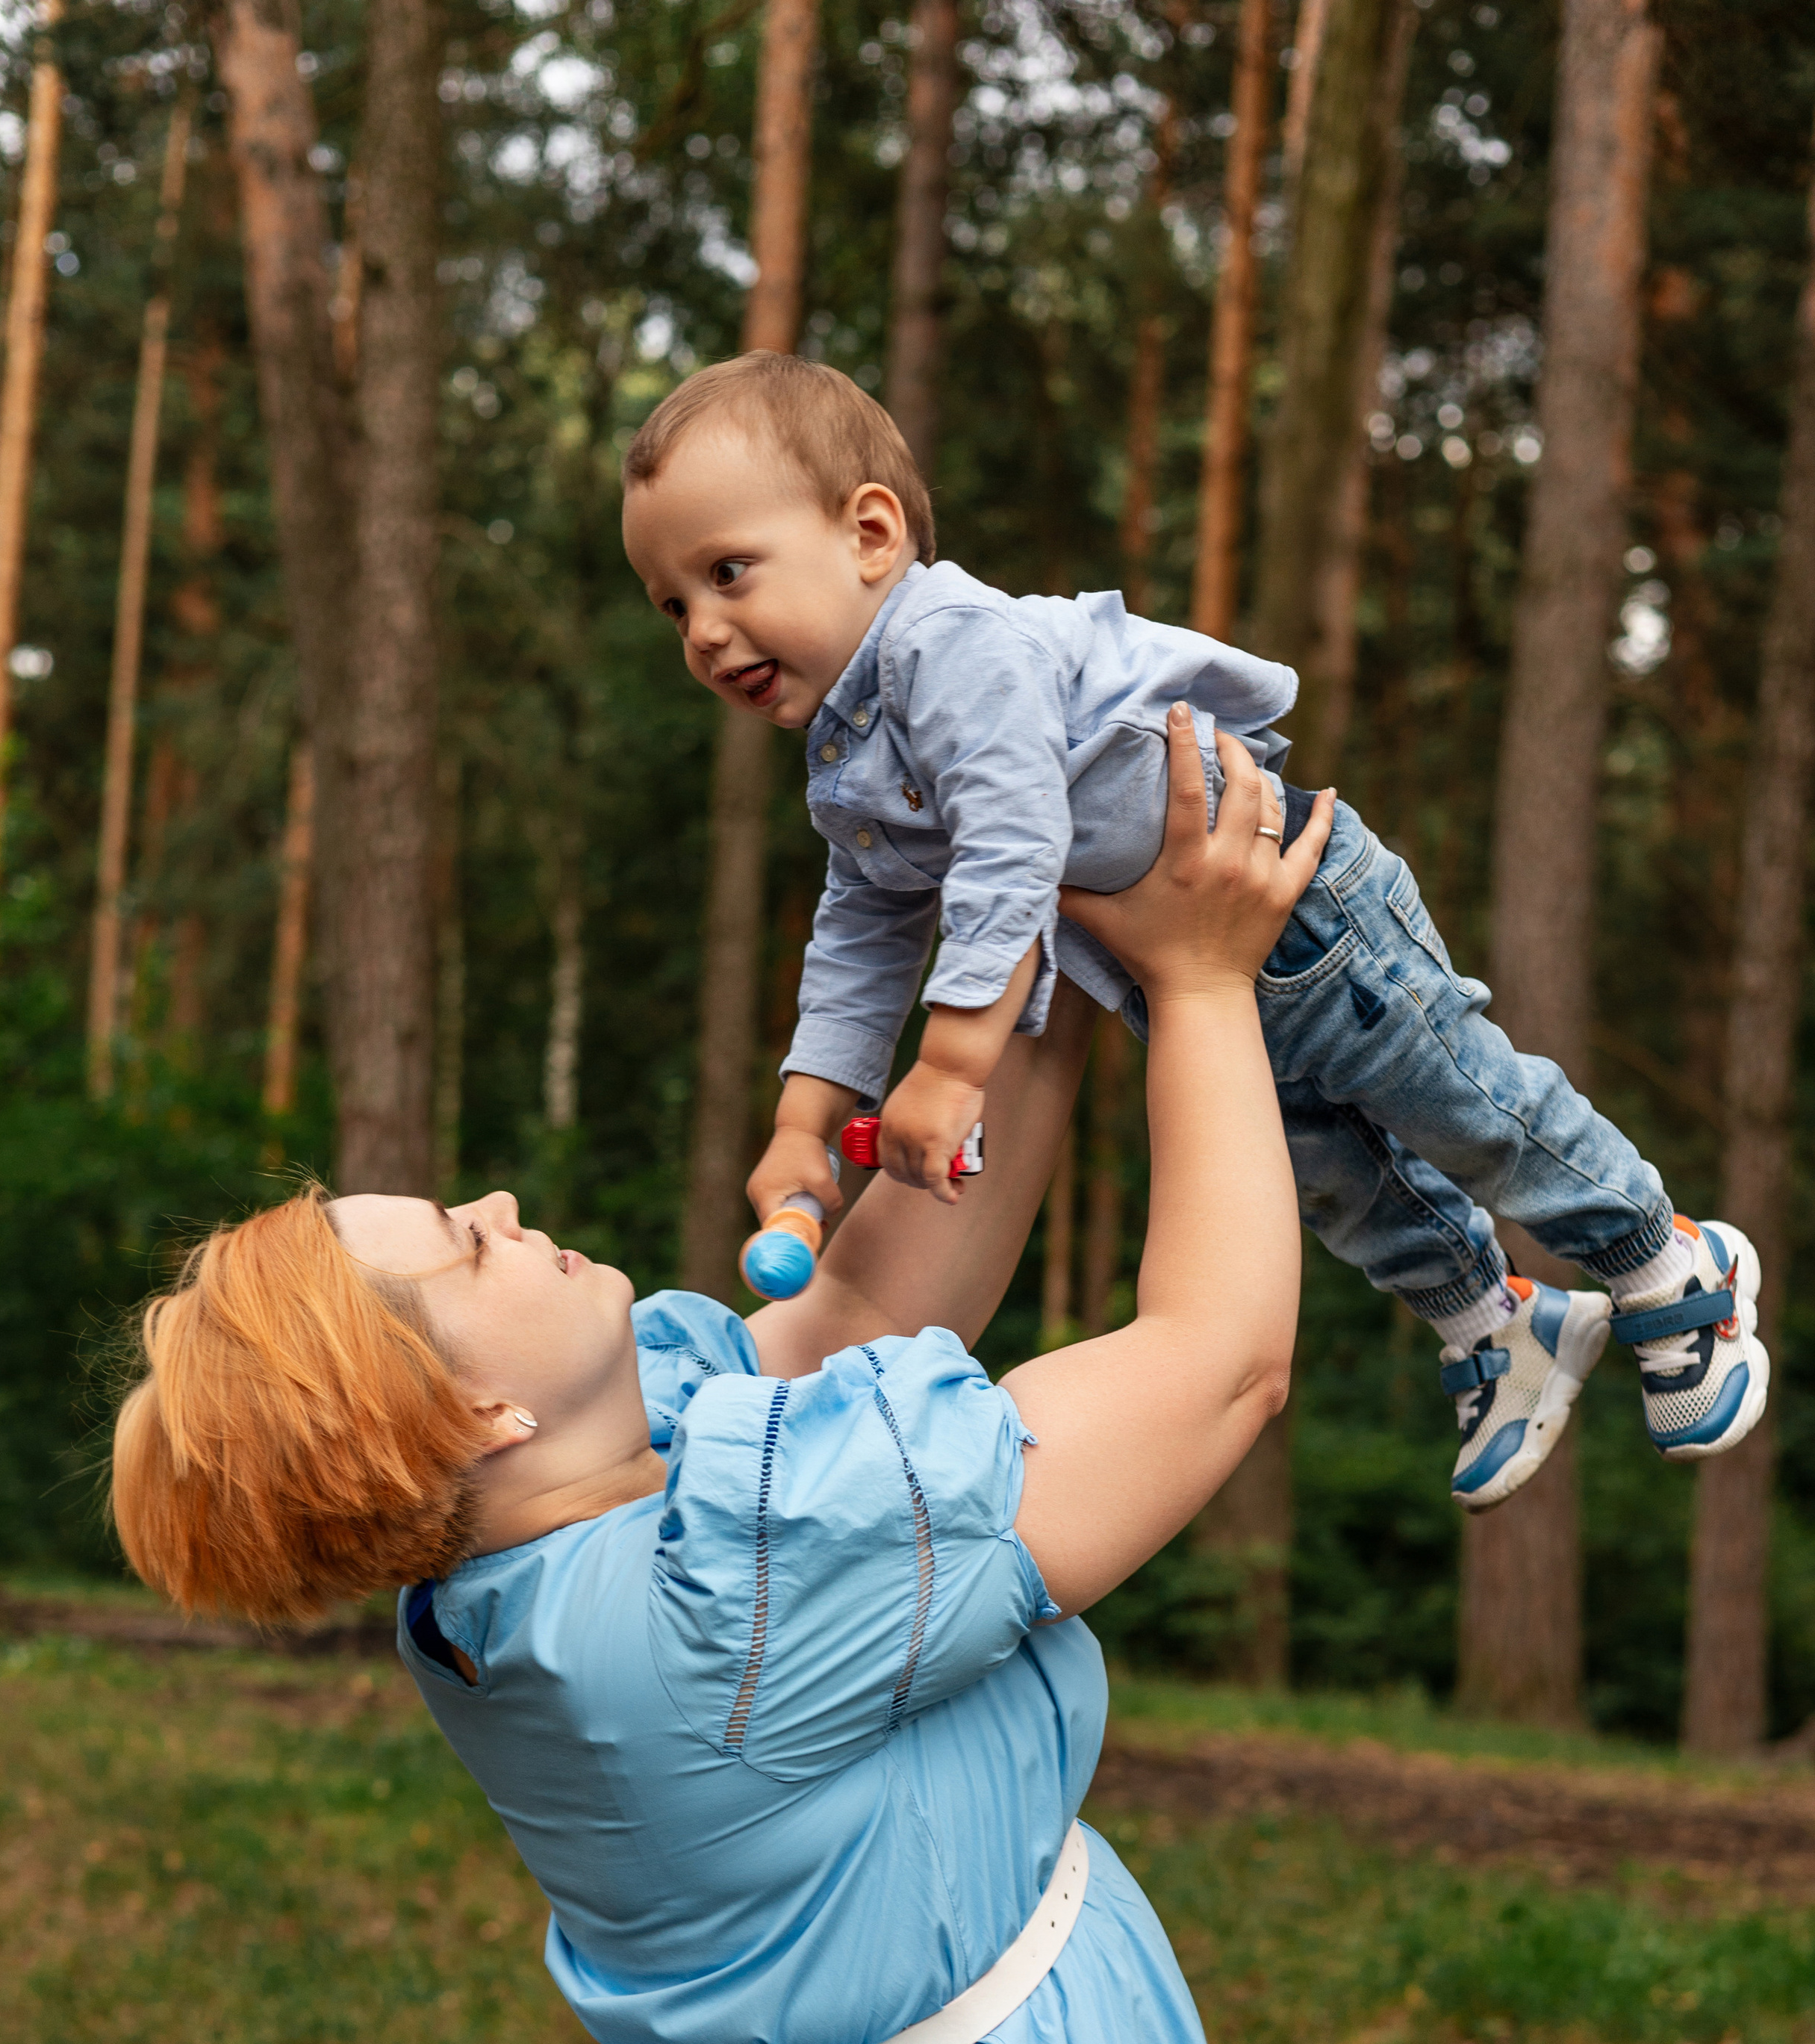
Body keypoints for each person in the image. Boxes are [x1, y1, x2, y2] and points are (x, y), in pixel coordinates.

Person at [112, 719, 1327, 2044]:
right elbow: (1212, 1361)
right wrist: (1209, 987)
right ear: (461, 1398)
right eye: (459, 1243)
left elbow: (868, 1304)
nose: (500, 1204)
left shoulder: (524, 1555)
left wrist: (1015, 987)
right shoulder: (723, 1610)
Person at [620, 350, 1768, 1516]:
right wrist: (804, 1120)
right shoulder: (849, 750)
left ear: (870, 534)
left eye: (728, 574)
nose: (705, 633)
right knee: (1329, 1176)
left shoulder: (949, 646)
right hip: (1174, 971)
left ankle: (1664, 1256)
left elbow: (1013, 847)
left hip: (1306, 913)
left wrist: (953, 1065)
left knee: (1458, 1101)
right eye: (674, 605)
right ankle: (1497, 1319)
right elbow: (861, 933)